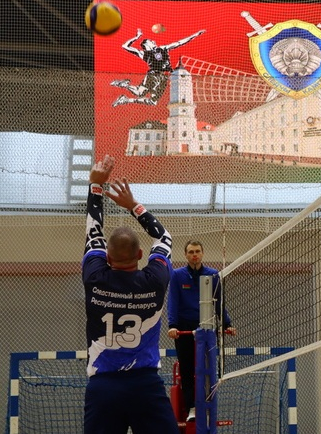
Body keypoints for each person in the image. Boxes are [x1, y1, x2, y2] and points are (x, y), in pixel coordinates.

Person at [82, 154, 178, 433]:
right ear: (140, 254)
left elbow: (93, 233)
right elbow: (164, 238)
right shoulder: (155, 280)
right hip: (145, 387)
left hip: (103, 388)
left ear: (107, 257)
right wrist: (133, 206)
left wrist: (96, 186)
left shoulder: (95, 277)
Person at [167, 240, 236, 422]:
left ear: (202, 253)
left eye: (197, 251)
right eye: (191, 252)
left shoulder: (213, 275)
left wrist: (227, 324)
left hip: (206, 328)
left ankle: (207, 407)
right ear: (186, 255)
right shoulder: (177, 275)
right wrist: (172, 326)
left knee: (207, 370)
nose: (194, 255)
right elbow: (173, 302)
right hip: (184, 328)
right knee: (187, 370)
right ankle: (192, 408)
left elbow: (219, 302)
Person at [111, 28, 205, 107]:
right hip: (156, 76)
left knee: (144, 96)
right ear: (146, 44)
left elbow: (179, 43)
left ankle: (125, 93)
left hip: (162, 77)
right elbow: (125, 46)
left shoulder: (162, 49)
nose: (154, 41)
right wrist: (137, 37)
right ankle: (125, 91)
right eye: (151, 41)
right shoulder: (143, 53)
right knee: (148, 98)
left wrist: (195, 35)